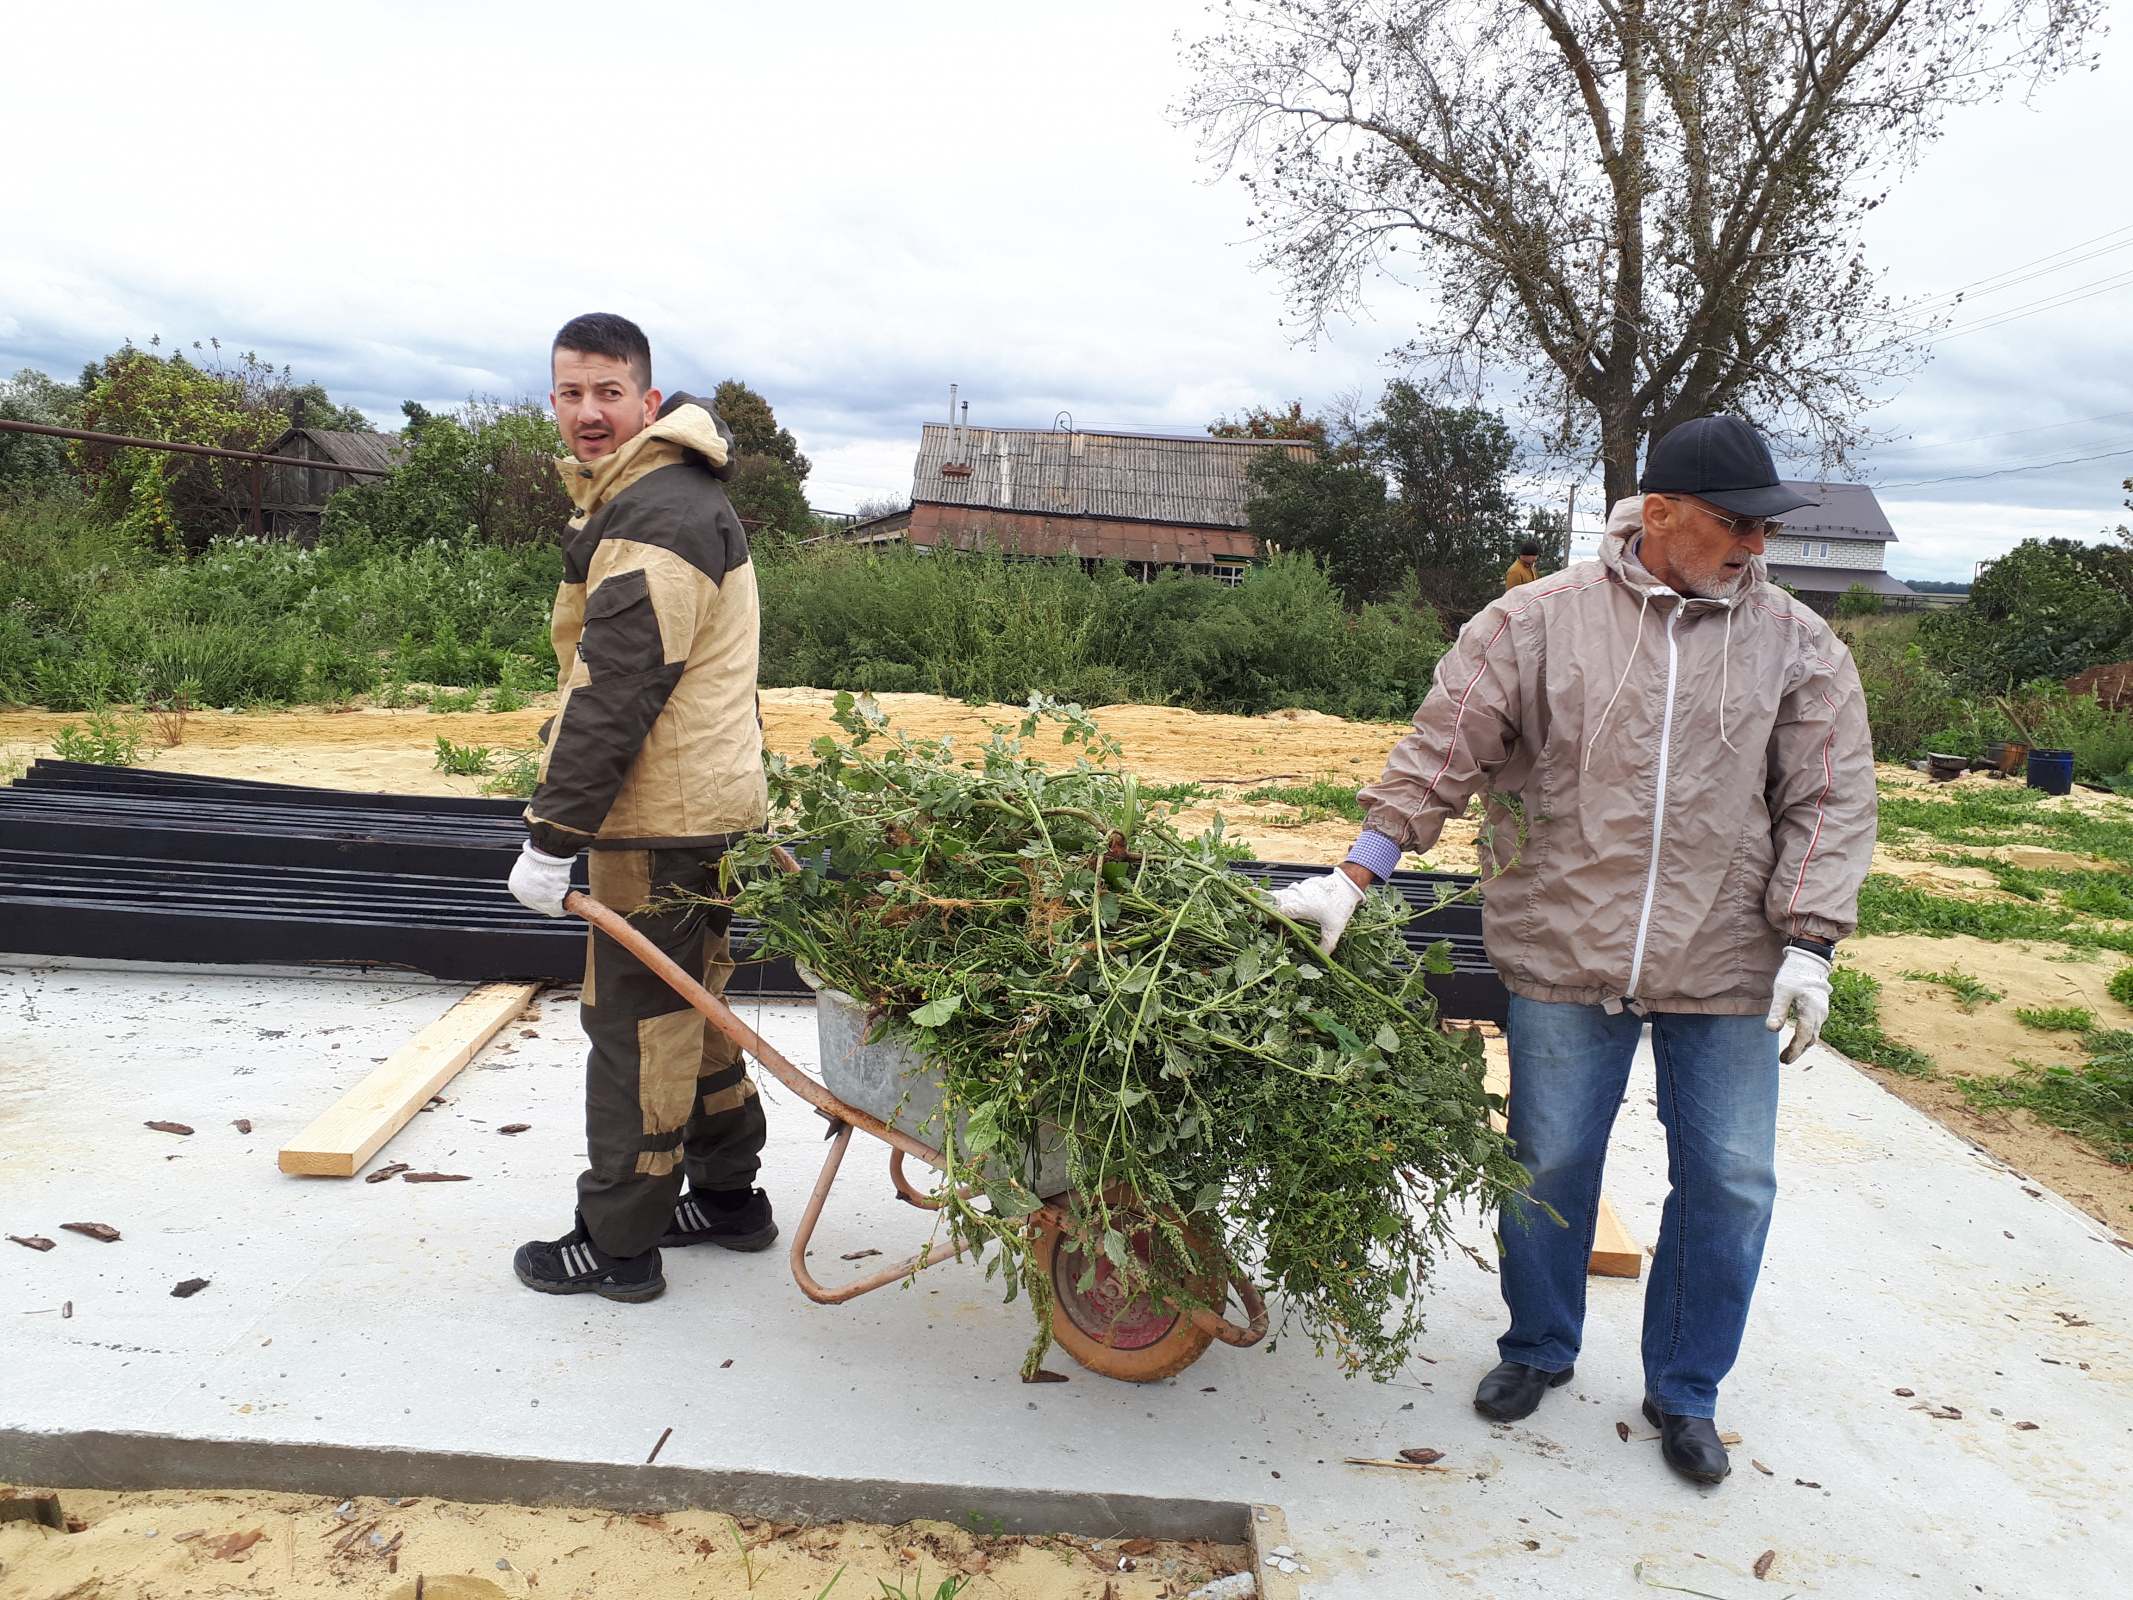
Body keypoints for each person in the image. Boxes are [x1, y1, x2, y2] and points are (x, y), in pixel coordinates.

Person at [1270, 415, 1874, 1484]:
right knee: (1547, 1166)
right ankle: (1538, 1347)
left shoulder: (1796, 644)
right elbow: (1443, 750)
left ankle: (1686, 1391)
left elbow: (1826, 799)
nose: (1755, 546)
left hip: (1726, 957)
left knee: (1732, 1181)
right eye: (1735, 524)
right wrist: (1355, 874)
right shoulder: (1536, 621)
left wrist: (1811, 942)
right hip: (1563, 942)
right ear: (1661, 513)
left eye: (1765, 529)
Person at [505, 313, 776, 1304]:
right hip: (708, 806)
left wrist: (551, 839)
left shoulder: (655, 513)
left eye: (608, 392)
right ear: (554, 400)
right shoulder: (663, 496)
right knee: (696, 1012)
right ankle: (729, 1199)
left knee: (636, 1028)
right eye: (571, 392)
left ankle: (618, 1242)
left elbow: (613, 692)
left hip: (661, 819)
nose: (588, 411)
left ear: (647, 401)